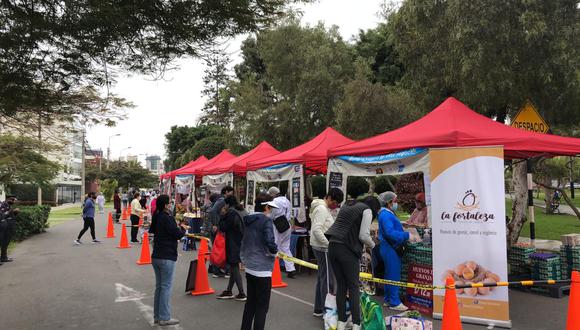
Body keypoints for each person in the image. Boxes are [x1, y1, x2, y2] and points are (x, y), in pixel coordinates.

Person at [326, 196, 379, 330]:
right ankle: (356, 323)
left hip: (332, 246)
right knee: (354, 287)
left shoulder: (348, 204)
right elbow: (363, 235)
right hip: (347, 250)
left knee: (341, 286)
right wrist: (374, 245)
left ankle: (341, 323)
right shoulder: (367, 210)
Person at [240, 193, 278, 330]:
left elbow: (243, 241)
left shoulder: (247, 220)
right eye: (271, 208)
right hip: (263, 268)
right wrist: (275, 251)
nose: (271, 211)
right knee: (262, 307)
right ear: (266, 207)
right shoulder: (266, 221)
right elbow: (270, 242)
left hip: (250, 265)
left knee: (250, 303)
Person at [149, 194, 188, 326]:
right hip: (167, 256)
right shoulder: (167, 218)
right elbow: (177, 234)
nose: (171, 205)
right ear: (166, 205)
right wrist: (183, 228)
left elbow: (153, 230)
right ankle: (164, 317)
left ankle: (157, 316)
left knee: (160, 287)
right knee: (165, 287)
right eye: (170, 203)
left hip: (156, 255)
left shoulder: (157, 216)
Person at [309, 188, 344, 317]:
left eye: (337, 204)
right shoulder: (322, 209)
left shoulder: (321, 208)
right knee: (328, 281)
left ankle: (319, 308)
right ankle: (327, 311)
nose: (335, 206)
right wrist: (328, 244)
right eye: (334, 203)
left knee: (322, 278)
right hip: (323, 248)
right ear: (328, 198)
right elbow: (316, 230)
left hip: (320, 246)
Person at [377, 191, 414, 311]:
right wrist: (406, 235)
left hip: (387, 247)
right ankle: (394, 302)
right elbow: (389, 232)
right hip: (391, 248)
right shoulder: (386, 215)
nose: (396, 203)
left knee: (389, 274)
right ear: (388, 203)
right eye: (395, 201)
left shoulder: (386, 213)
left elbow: (390, 228)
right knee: (394, 275)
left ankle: (388, 299)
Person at [217, 195, 247, 301]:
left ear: (228, 204)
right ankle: (229, 290)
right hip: (241, 241)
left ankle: (242, 292)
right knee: (234, 267)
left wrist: (222, 216)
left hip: (233, 242)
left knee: (234, 266)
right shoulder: (242, 211)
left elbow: (224, 227)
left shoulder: (231, 213)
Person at [267, 186, 296, 278]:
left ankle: (272, 269)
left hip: (277, 226)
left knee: (275, 246)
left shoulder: (274, 202)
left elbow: (271, 215)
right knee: (285, 247)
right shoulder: (287, 200)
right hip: (287, 225)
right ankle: (291, 269)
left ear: (272, 194)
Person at [209, 186, 235, 277]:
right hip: (219, 228)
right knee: (219, 249)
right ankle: (217, 270)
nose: (232, 194)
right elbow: (213, 211)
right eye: (231, 192)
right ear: (226, 192)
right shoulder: (222, 200)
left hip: (219, 227)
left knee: (218, 249)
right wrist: (215, 224)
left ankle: (215, 268)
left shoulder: (220, 199)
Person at [0, 195, 19, 263]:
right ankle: (3, 257)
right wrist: (11, 211)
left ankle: (3, 257)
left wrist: (15, 212)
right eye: (12, 199)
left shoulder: (8, 205)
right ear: (7, 199)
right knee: (3, 242)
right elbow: (3, 216)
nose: (13, 201)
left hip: (8, 226)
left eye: (14, 200)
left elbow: (11, 215)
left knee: (6, 242)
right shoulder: (3, 205)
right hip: (4, 227)